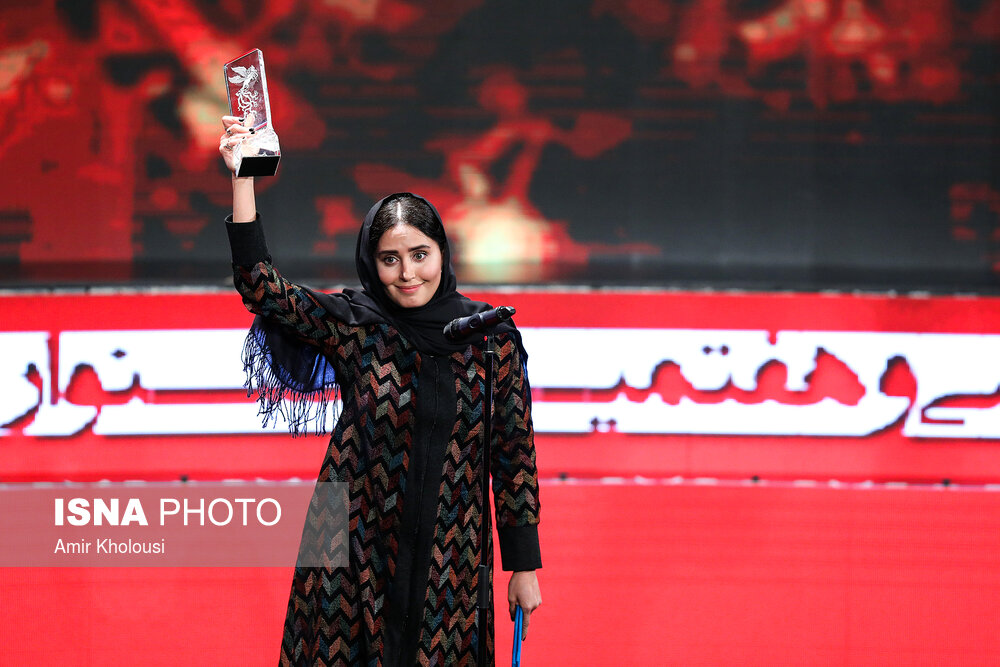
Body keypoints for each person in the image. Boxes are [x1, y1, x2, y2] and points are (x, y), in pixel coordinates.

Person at [219, 116, 542, 666]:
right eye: (390, 259)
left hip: (452, 557)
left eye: (420, 254)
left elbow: (514, 457)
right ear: (372, 264)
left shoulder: (491, 339)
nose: (407, 273)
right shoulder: (355, 323)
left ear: (442, 253)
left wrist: (524, 566)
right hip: (346, 547)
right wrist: (242, 179)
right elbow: (261, 288)